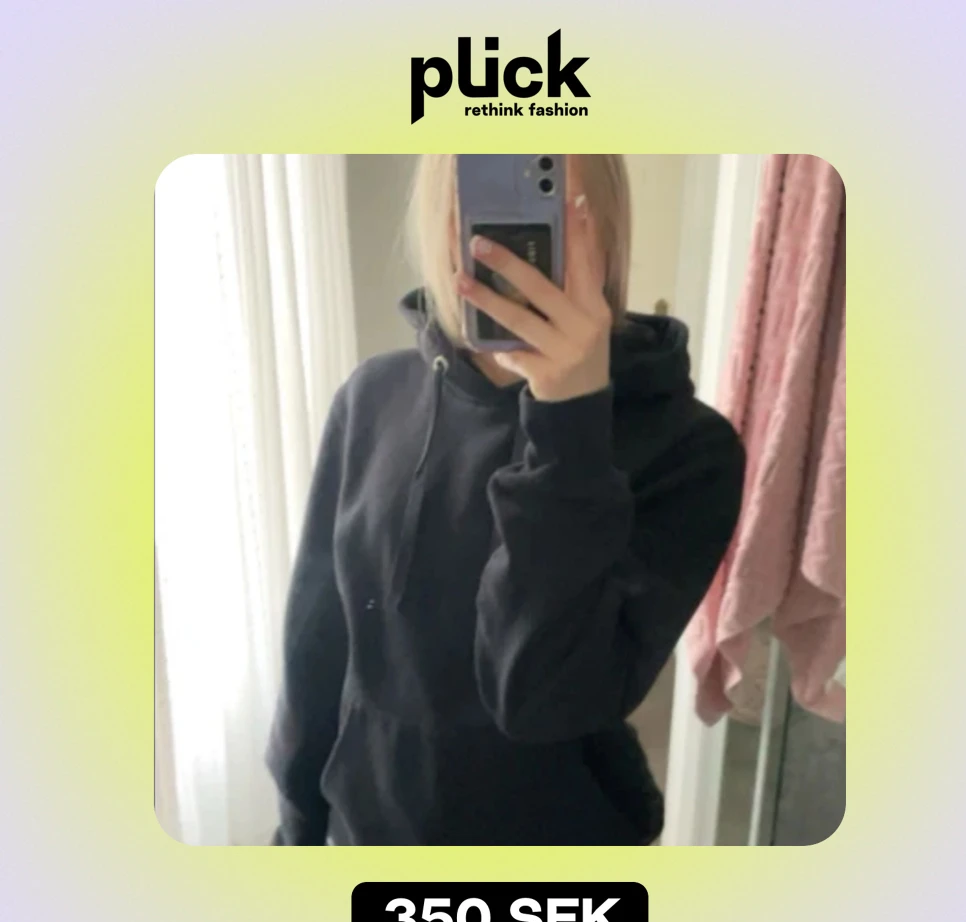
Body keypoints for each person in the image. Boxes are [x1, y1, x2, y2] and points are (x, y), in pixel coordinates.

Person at [265, 154, 745, 846]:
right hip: (366, 841)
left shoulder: (689, 448)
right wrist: (296, 828)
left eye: (543, 203)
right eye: (481, 203)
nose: (507, 242)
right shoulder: (373, 398)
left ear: (604, 225)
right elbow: (316, 642)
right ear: (442, 221)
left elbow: (542, 699)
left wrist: (568, 425)